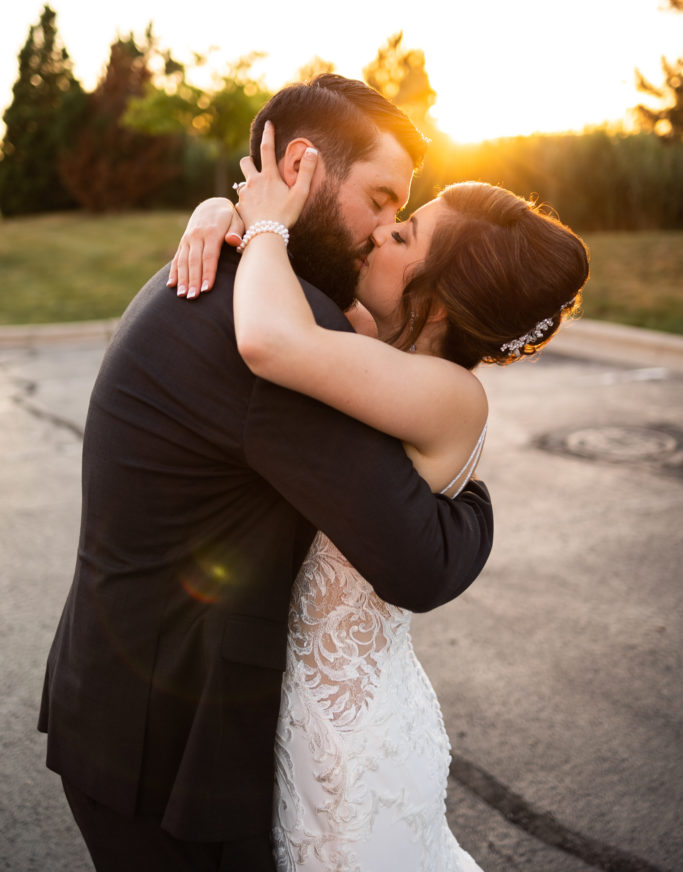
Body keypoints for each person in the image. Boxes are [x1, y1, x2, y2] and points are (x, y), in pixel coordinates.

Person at [38, 75, 494, 872]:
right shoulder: (278, 335)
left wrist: (232, 213)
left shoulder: (244, 279)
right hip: (172, 755)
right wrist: (474, 489)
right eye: (381, 199)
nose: (384, 232)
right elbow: (417, 559)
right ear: (300, 167)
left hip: (132, 707)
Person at [175, 123, 590, 871]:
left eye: (404, 235)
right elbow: (287, 286)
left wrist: (263, 218)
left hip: (352, 739)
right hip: (300, 709)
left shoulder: (450, 396)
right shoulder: (374, 339)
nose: (377, 236)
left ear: (438, 302)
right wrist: (217, 212)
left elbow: (270, 339)